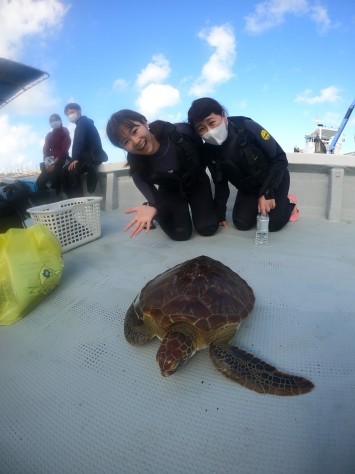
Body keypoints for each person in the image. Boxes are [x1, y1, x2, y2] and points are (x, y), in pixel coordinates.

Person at [187, 97, 299, 232]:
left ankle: (290, 204)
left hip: (273, 181)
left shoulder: (247, 126)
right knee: (241, 223)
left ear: (223, 115)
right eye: (201, 128)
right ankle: (260, 203)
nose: (209, 131)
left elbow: (280, 159)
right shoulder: (209, 151)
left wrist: (268, 193)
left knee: (272, 225)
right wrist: (220, 213)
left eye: (211, 123)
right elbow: (220, 182)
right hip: (249, 189)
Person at [106, 109, 219, 241]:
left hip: (197, 181)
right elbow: (158, 204)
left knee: (208, 228)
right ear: (123, 148)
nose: (136, 141)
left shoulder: (180, 131)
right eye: (126, 142)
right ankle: (151, 208)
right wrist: (153, 208)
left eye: (135, 131)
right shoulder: (138, 167)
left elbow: (203, 152)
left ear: (144, 122)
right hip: (171, 191)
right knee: (180, 233)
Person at [63, 103, 108, 198]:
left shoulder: (83, 121)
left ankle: (77, 202)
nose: (69, 116)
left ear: (78, 111)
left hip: (92, 156)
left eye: (71, 112)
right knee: (65, 170)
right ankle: (73, 199)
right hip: (88, 156)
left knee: (70, 171)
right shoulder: (83, 122)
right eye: (67, 115)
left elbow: (80, 141)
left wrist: (75, 159)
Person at [36, 114, 71, 196]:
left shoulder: (65, 132)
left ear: (60, 120)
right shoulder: (49, 135)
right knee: (39, 182)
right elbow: (46, 149)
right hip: (50, 160)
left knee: (54, 177)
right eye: (51, 120)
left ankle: (58, 196)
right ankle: (47, 198)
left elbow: (64, 149)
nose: (54, 122)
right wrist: (48, 163)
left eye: (56, 119)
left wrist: (53, 163)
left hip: (62, 159)